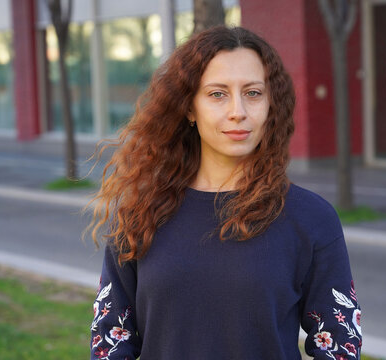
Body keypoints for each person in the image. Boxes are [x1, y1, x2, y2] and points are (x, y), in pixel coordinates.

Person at [87, 26, 361, 360]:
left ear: (271, 104)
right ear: (189, 108)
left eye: (253, 93)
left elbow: (338, 346)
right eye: (217, 94)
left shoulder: (311, 218)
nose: (238, 111)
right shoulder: (141, 212)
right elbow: (110, 342)